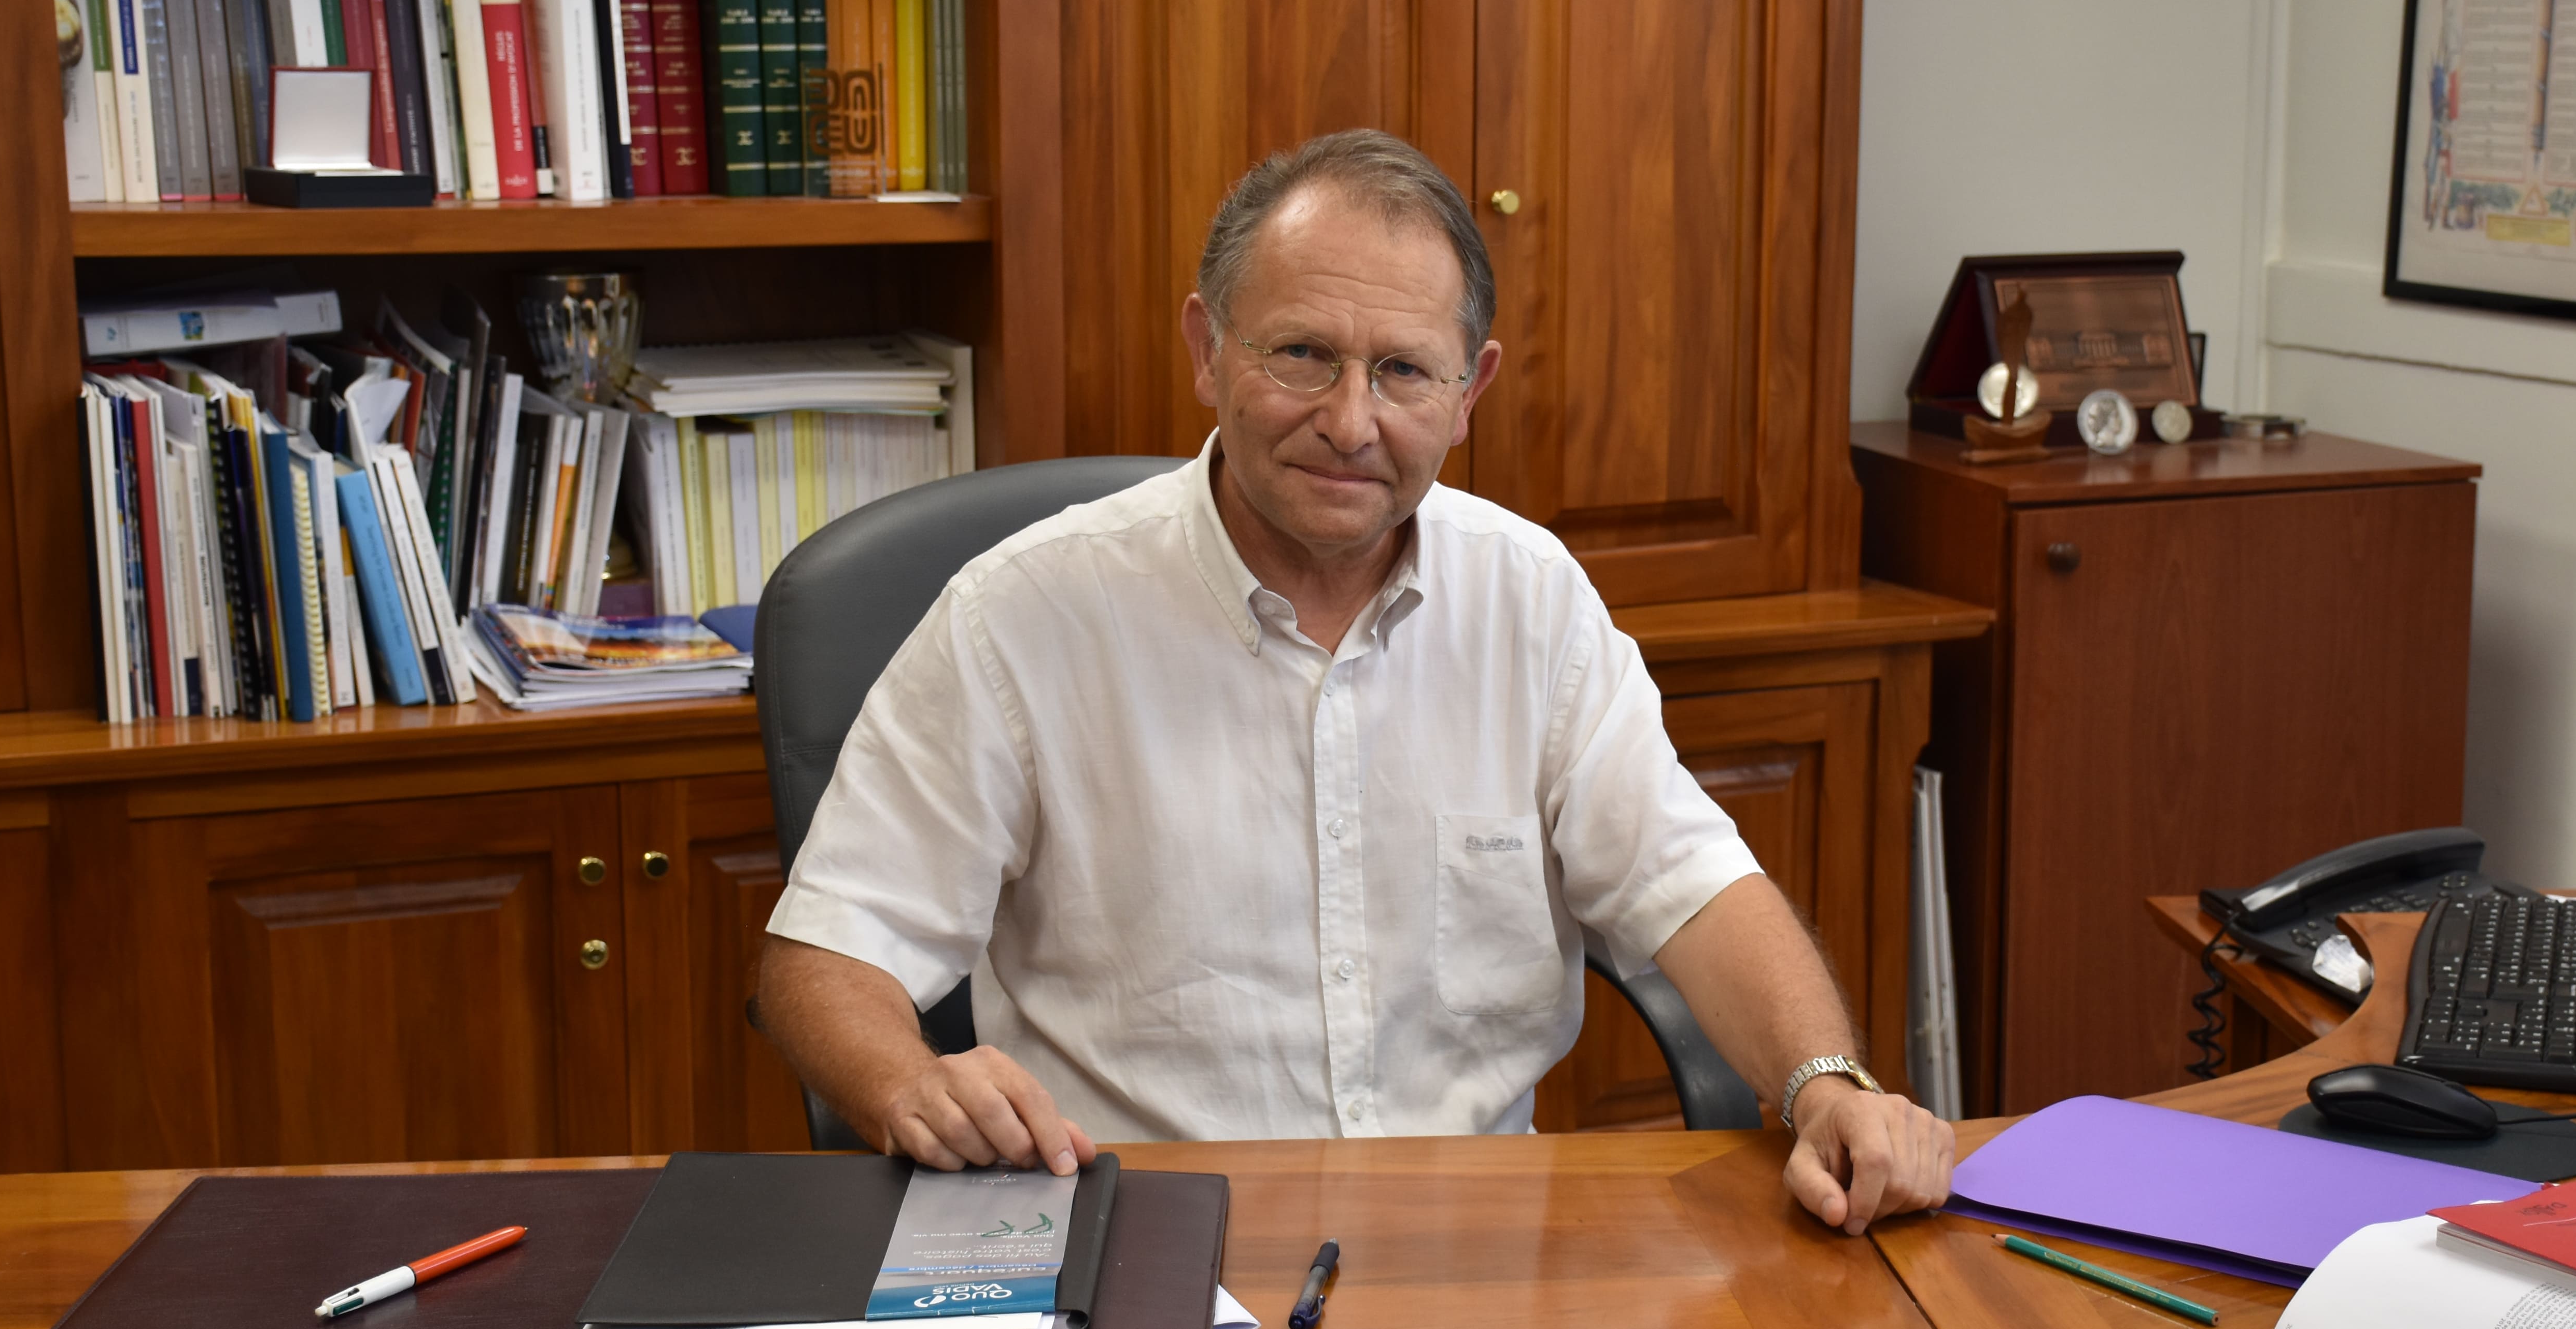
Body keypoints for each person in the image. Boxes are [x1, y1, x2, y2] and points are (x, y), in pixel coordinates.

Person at [757, 129, 1953, 1232]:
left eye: (1404, 372)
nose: (1350, 419)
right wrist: (910, 1082)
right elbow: (828, 953)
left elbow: (1692, 886)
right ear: (1207, 350)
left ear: (1469, 391)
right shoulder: (1023, 616)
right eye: (1302, 354)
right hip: (1143, 1233)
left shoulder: (1530, 601)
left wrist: (1821, 1084)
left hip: (1476, 1248)